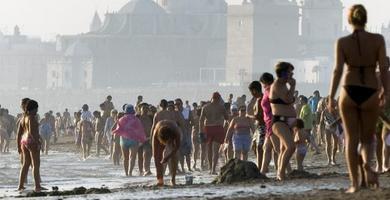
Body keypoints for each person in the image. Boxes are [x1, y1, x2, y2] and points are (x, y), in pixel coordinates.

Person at [328, 4, 388, 193]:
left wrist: (331, 96)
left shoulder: (342, 42)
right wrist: (385, 91)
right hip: (370, 89)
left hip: (349, 89)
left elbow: (338, 70)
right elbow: (384, 68)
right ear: (365, 19)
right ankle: (367, 168)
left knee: (351, 138)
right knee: (367, 139)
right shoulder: (377, 39)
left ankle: (355, 183)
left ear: (349, 20)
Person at [270, 62, 297, 181]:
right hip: (279, 121)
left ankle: (280, 173)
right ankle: (281, 173)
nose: (292, 74)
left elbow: (289, 101)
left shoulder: (284, 85)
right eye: (290, 72)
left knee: (283, 149)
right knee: (291, 147)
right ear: (284, 73)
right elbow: (288, 99)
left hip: (289, 120)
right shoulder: (277, 85)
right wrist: (293, 86)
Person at [17, 100, 44, 192]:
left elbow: (21, 133)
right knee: (36, 165)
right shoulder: (32, 118)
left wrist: (18, 146)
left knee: (25, 164)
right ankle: (37, 186)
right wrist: (38, 143)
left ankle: (20, 186)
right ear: (33, 109)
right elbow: (32, 132)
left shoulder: (23, 118)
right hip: (31, 141)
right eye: (36, 108)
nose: (37, 110)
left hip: (24, 140)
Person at [113, 104, 147, 176]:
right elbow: (140, 130)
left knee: (125, 158)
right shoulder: (136, 119)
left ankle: (126, 173)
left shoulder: (121, 119)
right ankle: (130, 172)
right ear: (133, 111)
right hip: (134, 140)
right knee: (132, 157)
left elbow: (118, 129)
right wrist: (142, 139)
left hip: (124, 140)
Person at [199, 92, 229, 174]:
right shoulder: (221, 107)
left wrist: (200, 131)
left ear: (212, 98)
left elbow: (201, 120)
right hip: (217, 127)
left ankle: (210, 168)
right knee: (215, 150)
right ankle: (213, 169)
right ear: (219, 98)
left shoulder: (205, 107)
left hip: (208, 128)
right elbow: (227, 117)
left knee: (209, 149)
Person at [259, 72, 280, 175]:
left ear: (265, 82)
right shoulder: (270, 89)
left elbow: (275, 106)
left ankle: (286, 170)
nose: (262, 85)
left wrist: (273, 121)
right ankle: (262, 172)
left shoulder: (270, 90)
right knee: (266, 147)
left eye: (262, 83)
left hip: (272, 122)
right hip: (269, 122)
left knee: (277, 148)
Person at [152, 120, 181, 186]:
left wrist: (168, 157)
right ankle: (160, 179)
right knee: (158, 157)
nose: (166, 144)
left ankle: (173, 179)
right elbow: (155, 155)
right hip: (159, 133)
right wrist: (159, 176)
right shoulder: (156, 133)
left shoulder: (176, 132)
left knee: (175, 156)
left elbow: (177, 148)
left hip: (171, 133)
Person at [246, 81, 266, 171]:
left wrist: (248, 116)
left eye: (251, 91)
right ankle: (261, 165)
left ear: (254, 90)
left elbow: (258, 116)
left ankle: (260, 167)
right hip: (258, 127)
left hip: (263, 126)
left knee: (260, 147)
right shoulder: (259, 99)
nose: (251, 94)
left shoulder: (260, 99)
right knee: (254, 146)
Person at [321, 98, 341, 165]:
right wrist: (321, 133)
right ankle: (329, 159)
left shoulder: (335, 110)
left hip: (335, 128)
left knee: (335, 143)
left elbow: (339, 119)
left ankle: (333, 158)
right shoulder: (324, 111)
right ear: (326, 103)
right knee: (328, 143)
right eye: (328, 102)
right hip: (327, 128)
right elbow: (321, 122)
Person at [175, 98, 193, 172]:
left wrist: (188, 126)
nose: (177, 106)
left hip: (186, 134)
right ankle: (182, 168)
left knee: (187, 153)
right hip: (178, 134)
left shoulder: (187, 111)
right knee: (180, 153)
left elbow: (193, 121)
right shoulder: (175, 113)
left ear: (182, 104)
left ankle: (189, 168)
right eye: (175, 104)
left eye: (178, 104)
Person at [137, 103, 153, 176]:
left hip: (148, 138)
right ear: (140, 109)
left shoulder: (150, 117)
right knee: (140, 156)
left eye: (147, 108)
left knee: (147, 154)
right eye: (143, 108)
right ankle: (141, 171)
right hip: (139, 138)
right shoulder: (137, 117)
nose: (145, 110)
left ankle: (147, 169)